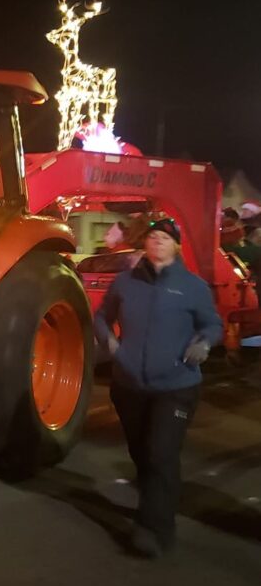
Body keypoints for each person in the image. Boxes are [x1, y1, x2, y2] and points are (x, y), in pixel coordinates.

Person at [94, 217, 223, 558]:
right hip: (129, 385)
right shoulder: (125, 282)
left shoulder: (192, 286)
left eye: (164, 238)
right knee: (142, 453)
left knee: (161, 453)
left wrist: (204, 343)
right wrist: (109, 342)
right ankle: (157, 499)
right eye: (152, 236)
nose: (157, 241)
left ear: (176, 245)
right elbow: (102, 316)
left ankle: (155, 529)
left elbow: (212, 324)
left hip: (176, 385)